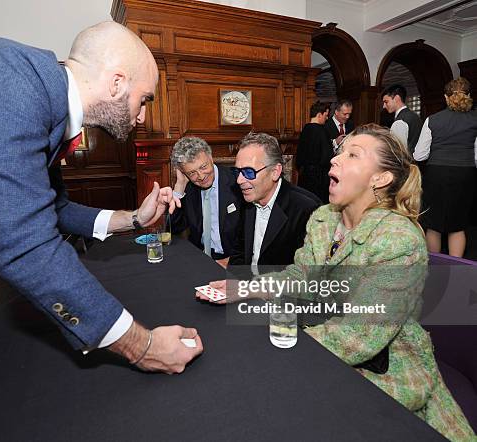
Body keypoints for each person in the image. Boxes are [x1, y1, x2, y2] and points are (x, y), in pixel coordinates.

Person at [0, 22, 203, 421]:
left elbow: (52, 207)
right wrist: (141, 346)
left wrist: (132, 219)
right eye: (143, 99)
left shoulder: (43, 99)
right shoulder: (15, 83)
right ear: (116, 84)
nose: (143, 116)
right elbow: (25, 247)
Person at [200, 125, 475, 441]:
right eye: (340, 151)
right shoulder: (323, 218)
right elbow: (300, 277)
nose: (334, 160)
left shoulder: (399, 239)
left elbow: (358, 335)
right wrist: (244, 288)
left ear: (380, 179)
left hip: (384, 367)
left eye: (352, 155)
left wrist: (279, 344)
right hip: (318, 337)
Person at [228, 132, 320, 270]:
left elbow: (306, 276)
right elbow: (239, 253)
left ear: (275, 171)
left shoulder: (307, 209)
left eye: (248, 172)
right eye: (237, 172)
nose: (239, 180)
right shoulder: (247, 198)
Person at [414, 77, 477, 257]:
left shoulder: (432, 120)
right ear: (469, 95)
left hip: (436, 175)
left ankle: (436, 271)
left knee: (433, 226)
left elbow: (420, 155)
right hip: (464, 174)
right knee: (457, 226)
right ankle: (456, 270)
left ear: (446, 97)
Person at [170, 137, 244, 266]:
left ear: (211, 157)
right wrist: (179, 187)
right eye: (192, 172)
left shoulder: (237, 182)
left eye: (203, 167)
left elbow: (251, 233)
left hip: (231, 260)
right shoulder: (188, 189)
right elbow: (173, 228)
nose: (201, 176)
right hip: (199, 259)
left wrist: (233, 262)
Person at [296, 101, 334, 202]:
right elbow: (327, 157)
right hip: (319, 179)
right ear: (319, 114)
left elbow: (298, 158)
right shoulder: (322, 131)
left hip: (304, 177)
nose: (327, 118)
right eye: (326, 115)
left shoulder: (305, 129)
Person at [381, 84, 422, 154]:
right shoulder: (414, 116)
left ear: (397, 98)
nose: (384, 106)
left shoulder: (400, 121)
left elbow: (398, 152)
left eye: (386, 102)